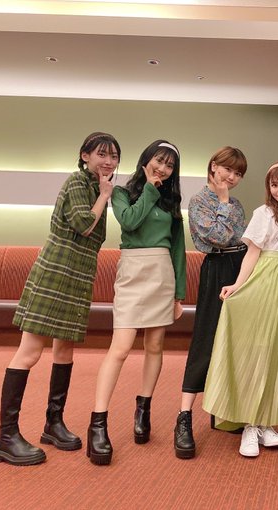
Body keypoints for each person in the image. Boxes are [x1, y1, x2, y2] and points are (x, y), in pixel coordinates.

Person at [0, 132, 120, 466]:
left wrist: (104, 193)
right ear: (85, 156)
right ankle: (6, 437)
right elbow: (84, 224)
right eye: (102, 154)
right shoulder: (78, 182)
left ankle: (53, 423)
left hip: (77, 278)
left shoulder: (96, 187)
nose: (108, 161)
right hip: (55, 275)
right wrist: (105, 195)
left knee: (65, 350)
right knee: (30, 352)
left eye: (114, 156)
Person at [87, 140, 186, 466]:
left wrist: (179, 293)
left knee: (155, 346)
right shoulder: (122, 193)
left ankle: (143, 409)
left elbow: (177, 249)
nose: (163, 168)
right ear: (146, 160)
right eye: (159, 161)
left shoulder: (172, 202)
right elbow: (130, 221)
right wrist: (150, 189)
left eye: (169, 165)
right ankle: (97, 423)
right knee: (120, 348)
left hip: (162, 272)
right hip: (132, 272)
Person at [202, 160, 278, 458]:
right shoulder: (263, 213)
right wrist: (237, 285)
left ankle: (265, 423)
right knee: (256, 351)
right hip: (261, 283)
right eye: (274, 185)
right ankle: (249, 425)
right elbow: (253, 254)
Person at [174, 147, 248, 460]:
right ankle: (184, 418)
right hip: (216, 268)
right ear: (214, 166)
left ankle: (226, 411)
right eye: (228, 169)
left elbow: (242, 238)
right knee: (206, 339)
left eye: (238, 173)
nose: (232, 176)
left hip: (242, 267)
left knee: (236, 341)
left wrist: (227, 203)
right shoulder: (199, 201)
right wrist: (223, 201)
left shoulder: (237, 204)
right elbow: (216, 237)